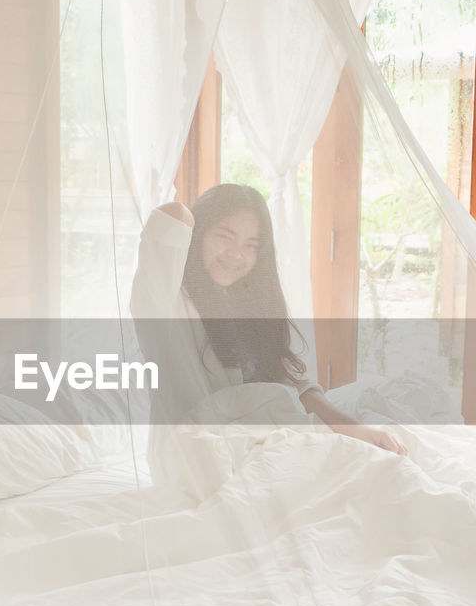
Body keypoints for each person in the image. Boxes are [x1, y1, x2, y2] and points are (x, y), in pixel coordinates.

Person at [130, 183, 405, 455]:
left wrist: (354, 428)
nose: (237, 254)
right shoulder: (165, 304)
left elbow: (295, 384)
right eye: (225, 236)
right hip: (197, 455)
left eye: (251, 245)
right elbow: (173, 215)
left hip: (266, 443)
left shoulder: (250, 307)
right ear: (198, 233)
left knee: (390, 438)